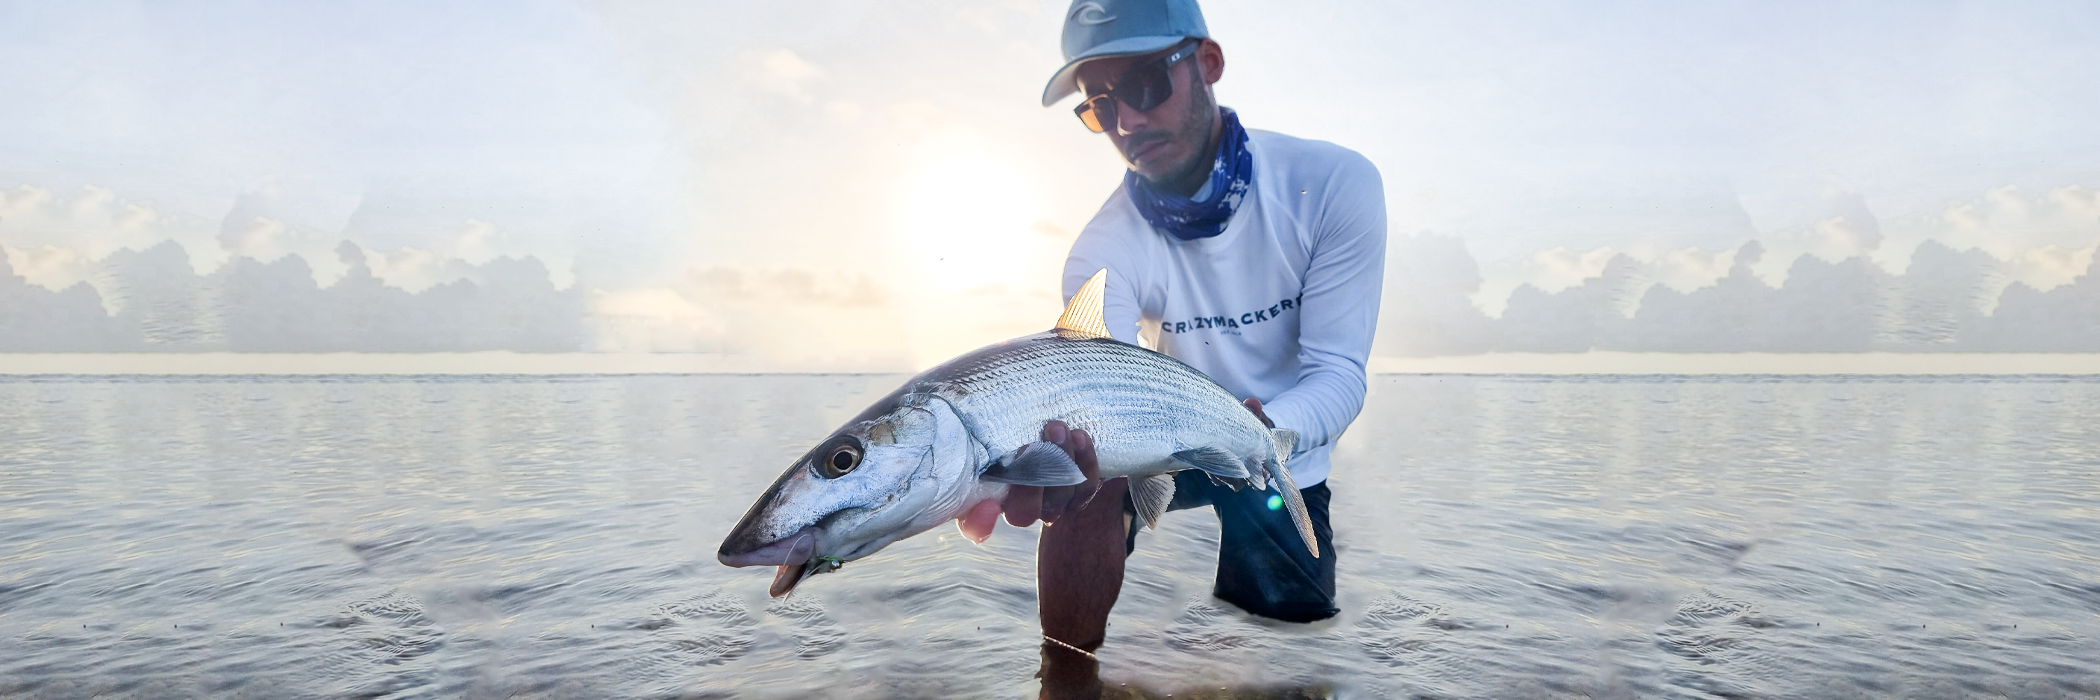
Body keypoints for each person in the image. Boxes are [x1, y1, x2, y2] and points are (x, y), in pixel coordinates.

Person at [959, 0, 1387, 669]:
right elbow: (1099, 379)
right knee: (1083, 466)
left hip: (1278, 447)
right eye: (1100, 106)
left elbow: (1337, 372)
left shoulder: (1332, 184)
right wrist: (1067, 457)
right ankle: (1067, 674)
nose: (1127, 121)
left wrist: (1266, 433)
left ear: (1208, 64)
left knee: (1288, 646)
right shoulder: (1101, 248)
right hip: (1161, 428)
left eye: (1146, 84)